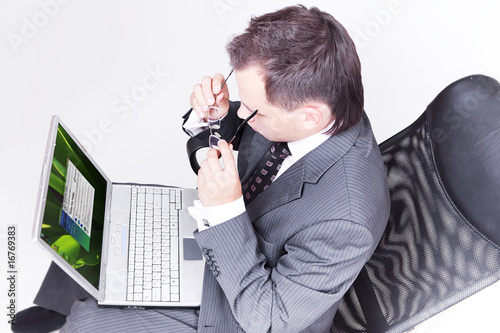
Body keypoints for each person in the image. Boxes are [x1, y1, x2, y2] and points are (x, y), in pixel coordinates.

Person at [14, 5, 390, 332]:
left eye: (253, 110)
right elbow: (242, 133)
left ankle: (74, 317)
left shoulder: (348, 220)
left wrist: (224, 212)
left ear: (310, 116)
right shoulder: (324, 107)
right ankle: (57, 303)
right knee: (109, 210)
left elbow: (268, 318)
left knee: (87, 323)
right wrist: (214, 117)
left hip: (248, 306)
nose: (240, 113)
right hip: (237, 240)